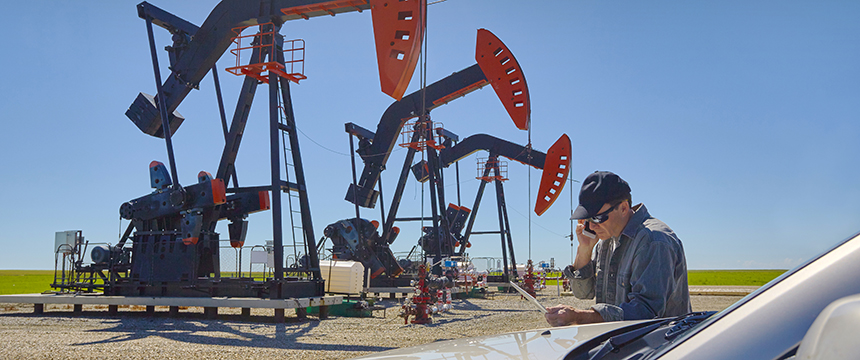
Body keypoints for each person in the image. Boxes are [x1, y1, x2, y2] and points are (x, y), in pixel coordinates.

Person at [545, 171, 691, 326]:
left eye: (597, 218)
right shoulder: (606, 240)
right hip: (622, 341)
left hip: (661, 346)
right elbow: (583, 293)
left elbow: (645, 312)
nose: (592, 226)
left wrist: (579, 317)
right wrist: (584, 248)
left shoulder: (653, 241)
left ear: (623, 208)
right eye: (588, 219)